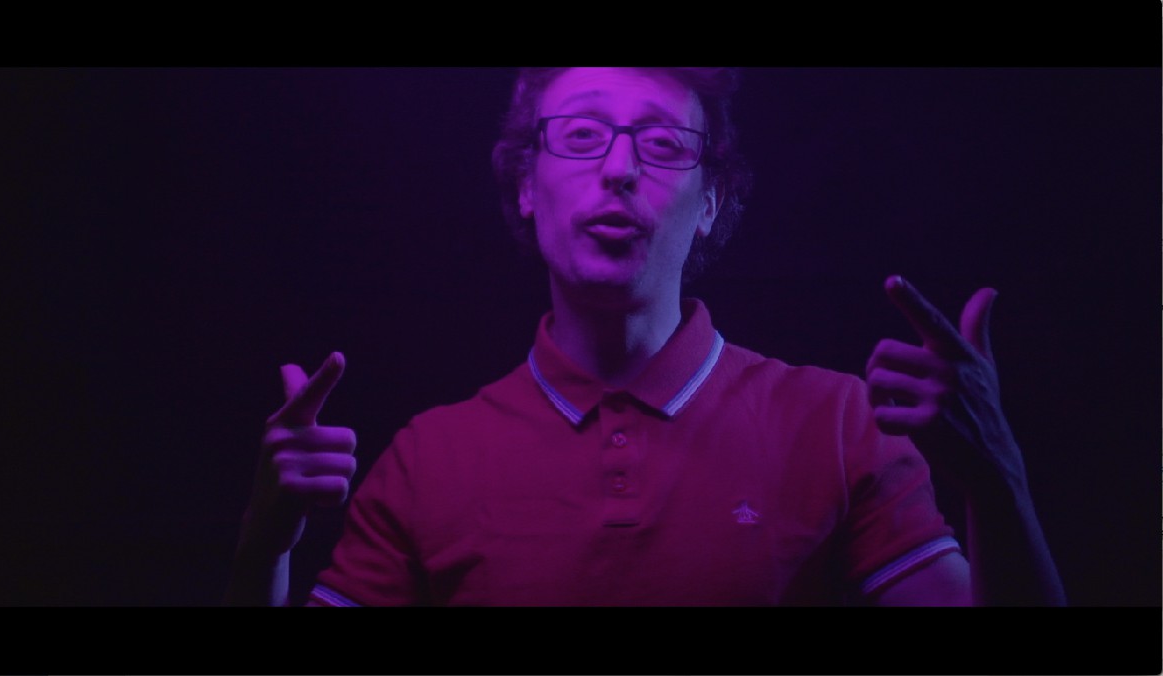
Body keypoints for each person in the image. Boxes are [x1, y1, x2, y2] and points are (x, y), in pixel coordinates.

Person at [225, 67, 1067, 606]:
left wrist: (999, 483)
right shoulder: (426, 462)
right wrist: (262, 551)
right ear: (525, 186)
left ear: (710, 204)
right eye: (582, 135)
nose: (621, 168)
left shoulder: (839, 425)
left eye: (663, 144)